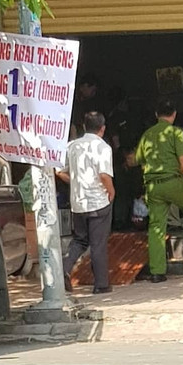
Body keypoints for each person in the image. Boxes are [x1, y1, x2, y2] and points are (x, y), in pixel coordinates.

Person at [136, 99, 183, 284]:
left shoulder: (147, 135)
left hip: (153, 186)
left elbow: (139, 161)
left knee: (156, 226)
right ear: (174, 114)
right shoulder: (176, 133)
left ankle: (157, 272)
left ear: (156, 115)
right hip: (173, 182)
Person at [57, 111, 115, 295]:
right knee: (98, 243)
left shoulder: (72, 146)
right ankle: (101, 284)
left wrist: (76, 182)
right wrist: (111, 192)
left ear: (83, 126)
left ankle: (64, 269)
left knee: (80, 240)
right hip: (98, 201)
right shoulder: (103, 147)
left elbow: (59, 172)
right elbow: (104, 175)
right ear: (103, 129)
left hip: (78, 202)